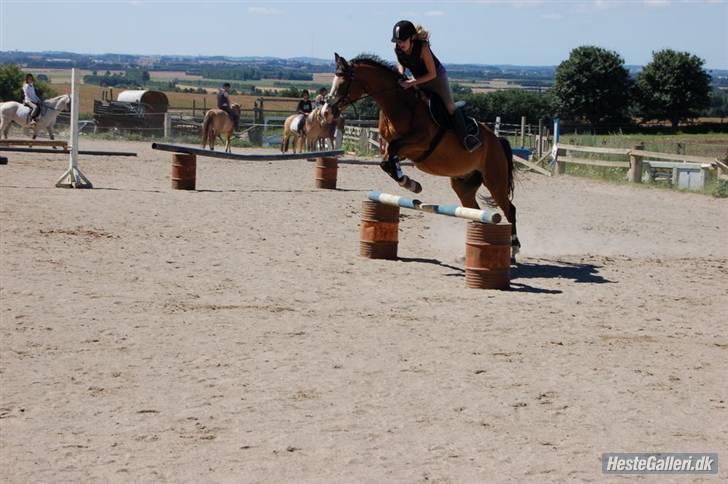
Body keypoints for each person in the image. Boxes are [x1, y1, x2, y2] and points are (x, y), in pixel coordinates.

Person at [392, 20, 481, 152]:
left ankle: (466, 137)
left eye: (403, 41)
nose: (400, 44)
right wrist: (400, 74)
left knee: (449, 107)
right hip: (417, 79)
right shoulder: (397, 48)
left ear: (411, 38)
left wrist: (411, 82)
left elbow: (432, 74)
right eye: (398, 41)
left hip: (436, 78)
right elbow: (401, 62)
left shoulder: (423, 48)